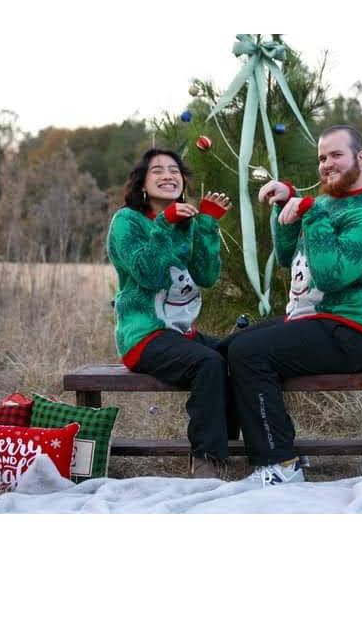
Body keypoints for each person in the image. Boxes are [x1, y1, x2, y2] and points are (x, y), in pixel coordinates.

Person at [226, 125, 362, 487]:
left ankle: (281, 463)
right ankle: (232, 447)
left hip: (355, 332)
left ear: (361, 157)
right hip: (319, 321)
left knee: (248, 353)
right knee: (230, 347)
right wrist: (285, 205)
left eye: (336, 155)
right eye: (322, 157)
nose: (326, 164)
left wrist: (312, 213)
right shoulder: (329, 200)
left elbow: (333, 274)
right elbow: (289, 253)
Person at [106, 147, 236, 478]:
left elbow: (207, 276)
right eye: (158, 171)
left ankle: (242, 446)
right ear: (142, 185)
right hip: (143, 335)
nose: (169, 175)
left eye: (175, 170)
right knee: (208, 363)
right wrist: (165, 223)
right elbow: (148, 272)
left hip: (180, 334)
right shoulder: (126, 222)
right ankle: (207, 458)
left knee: (239, 353)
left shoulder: (187, 224)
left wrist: (206, 224)